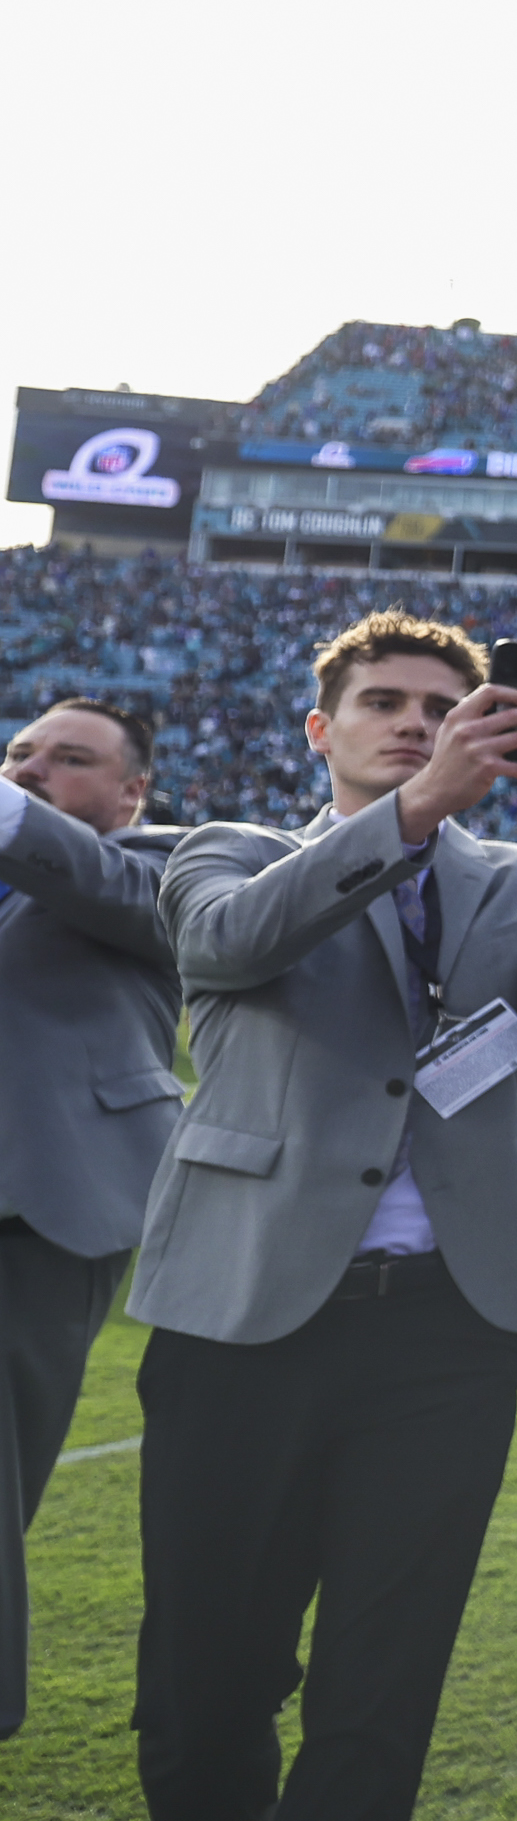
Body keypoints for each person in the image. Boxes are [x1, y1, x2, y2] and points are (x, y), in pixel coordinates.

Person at [133, 610, 517, 1821]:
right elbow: (234, 944)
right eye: (386, 701)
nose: (414, 721)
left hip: (450, 1330)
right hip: (244, 1318)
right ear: (322, 727)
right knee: (199, 1697)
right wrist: (415, 810)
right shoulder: (226, 848)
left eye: (440, 703)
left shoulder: (514, 866)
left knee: (381, 1685)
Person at [0, 697, 183, 1739]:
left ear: (132, 791)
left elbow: (96, 881)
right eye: (18, 752)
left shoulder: (170, 864)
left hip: (38, 1206)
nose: (31, 771)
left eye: (69, 760)